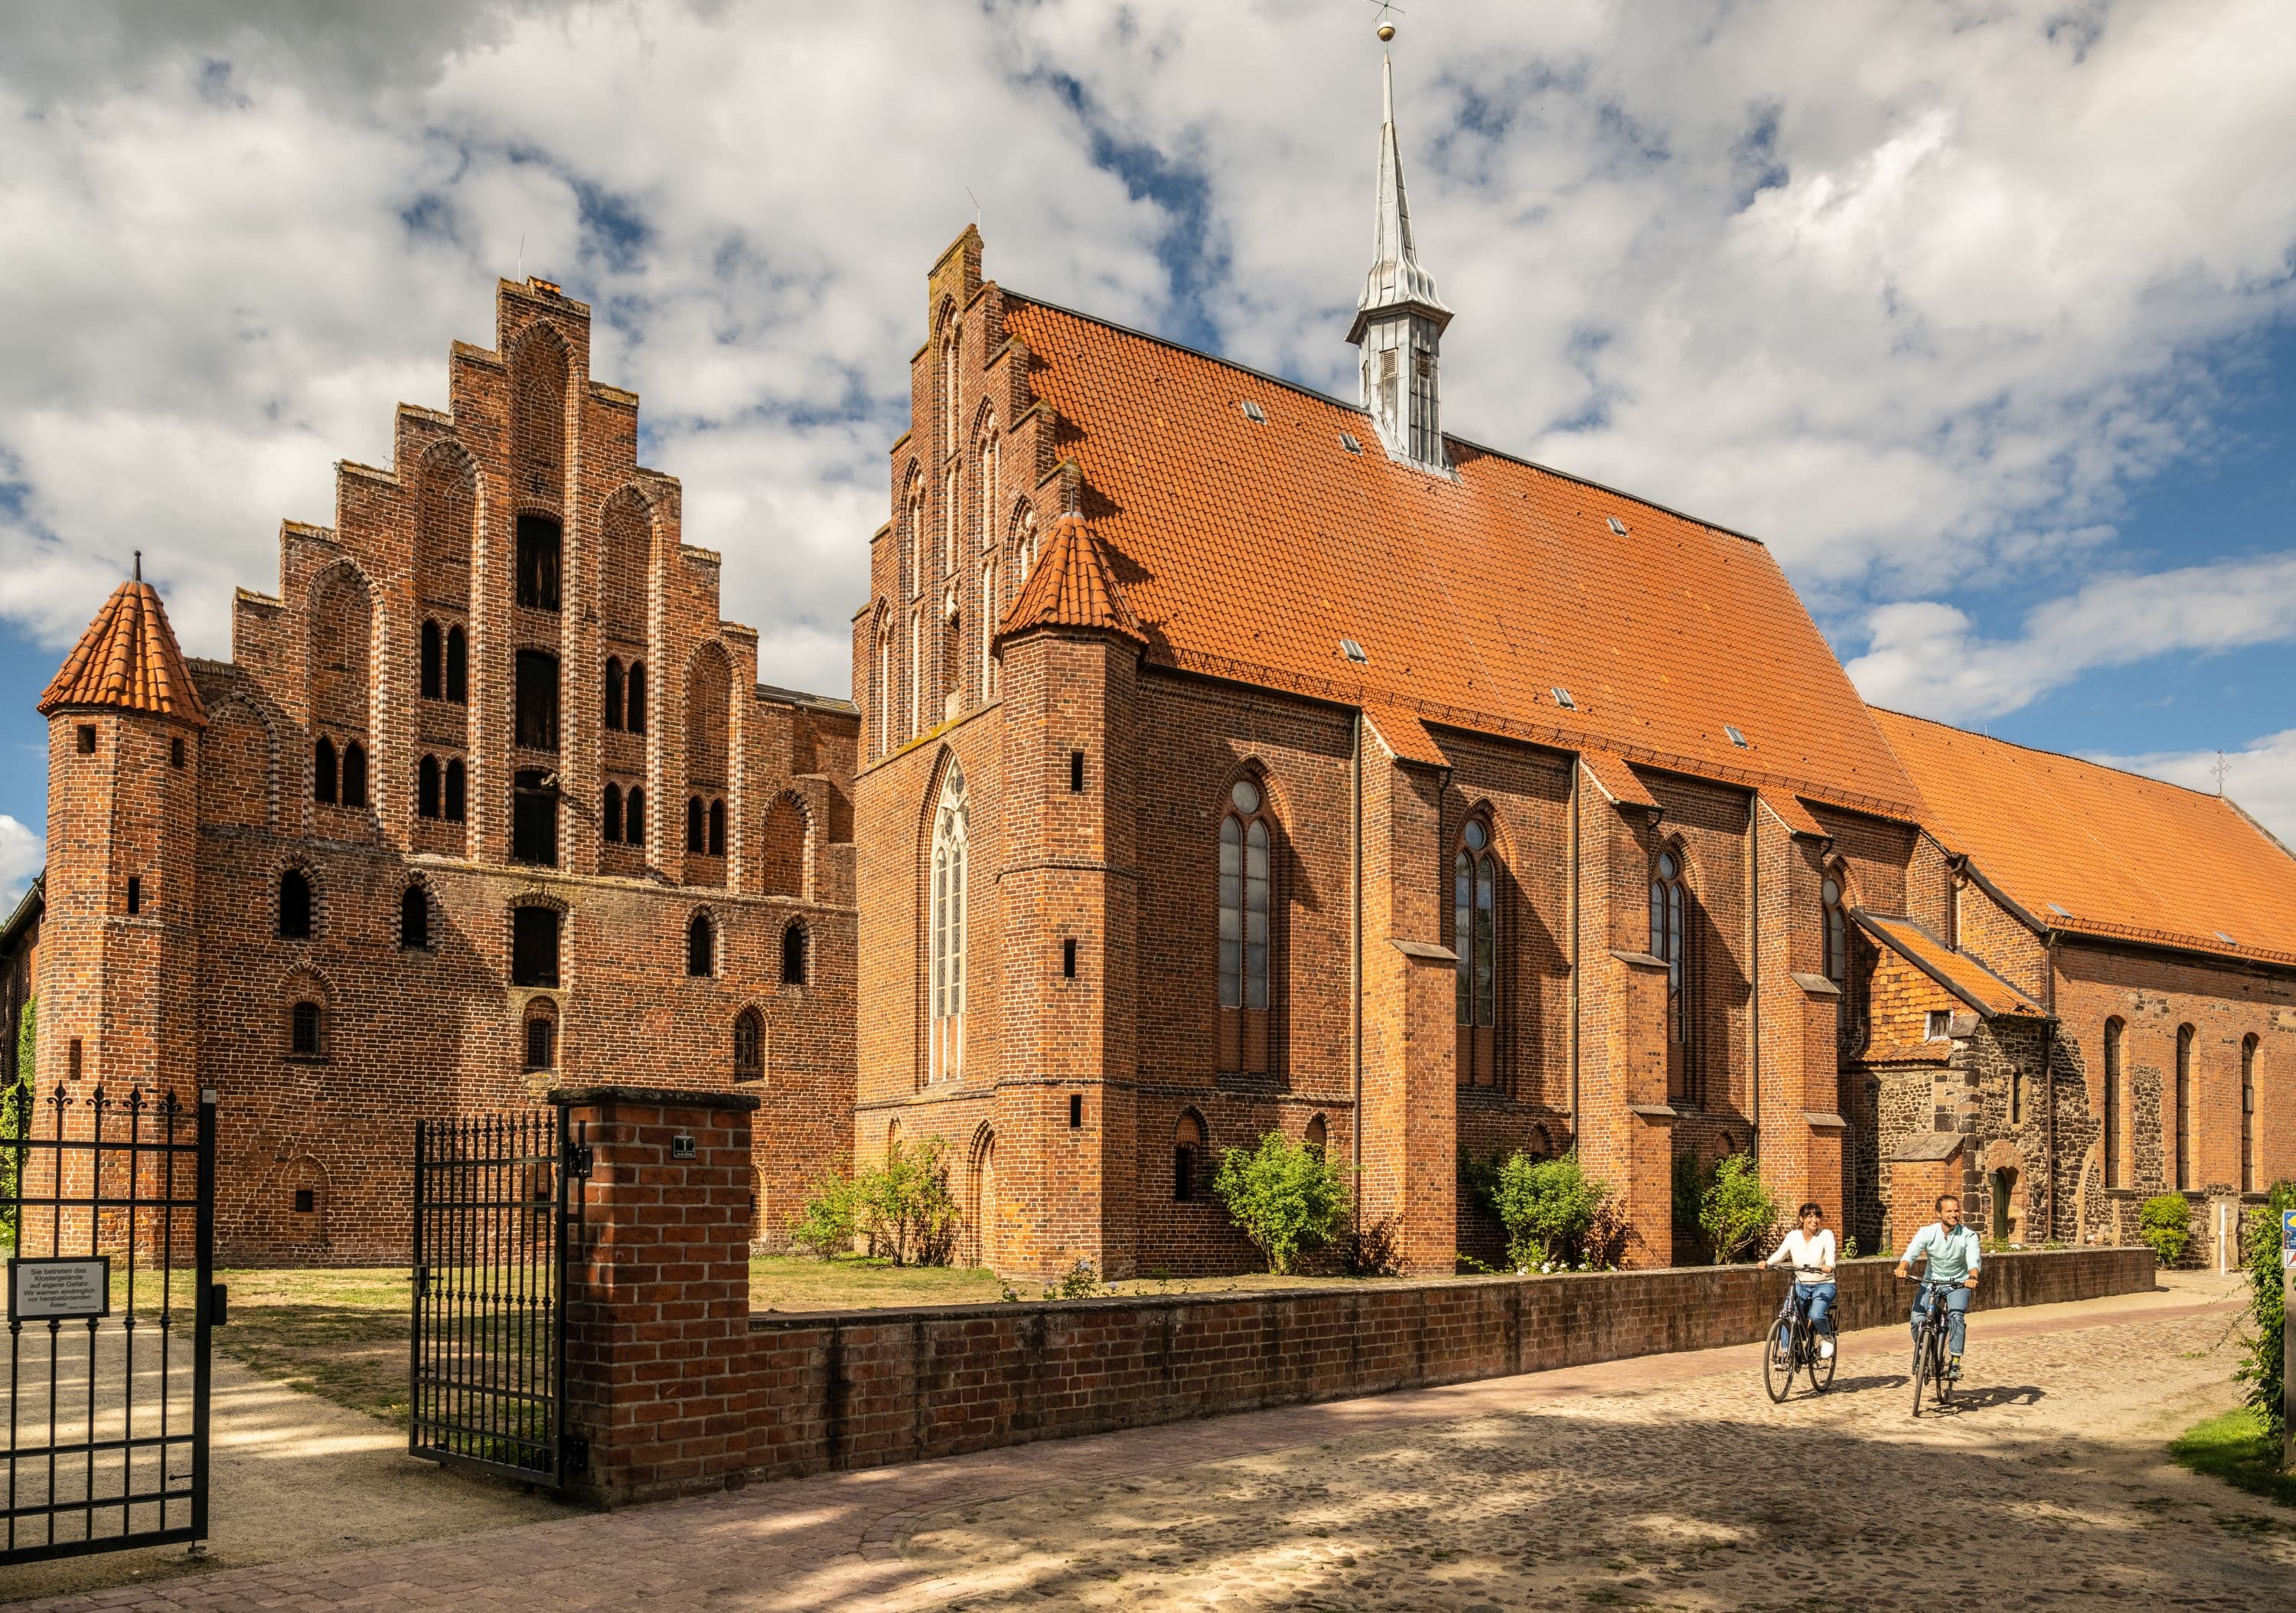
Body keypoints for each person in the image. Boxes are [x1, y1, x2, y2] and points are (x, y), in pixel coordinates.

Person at [1896, 1193, 1982, 1377]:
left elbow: (1973, 1259)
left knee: (1956, 1317)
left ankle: (1955, 1361)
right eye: (1949, 1211)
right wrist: (1902, 1268)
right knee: (1917, 1319)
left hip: (1958, 1283)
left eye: (1956, 1211)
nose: (1954, 1214)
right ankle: (1924, 1348)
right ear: (1938, 1213)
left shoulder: (1968, 1235)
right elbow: (1911, 1253)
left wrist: (1972, 1277)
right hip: (1931, 1282)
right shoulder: (1927, 1232)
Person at [1765, 1201, 1838, 1357]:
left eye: (1817, 1216)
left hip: (1823, 1284)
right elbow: (1780, 1254)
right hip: (1801, 1284)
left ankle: (1827, 1337)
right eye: (1810, 1216)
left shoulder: (1826, 1235)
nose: (1814, 1220)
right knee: (1787, 1313)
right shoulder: (1793, 1237)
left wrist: (1829, 1265)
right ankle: (1786, 1352)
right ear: (1801, 1219)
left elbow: (1830, 1255)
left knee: (1816, 1314)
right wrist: (1767, 1263)